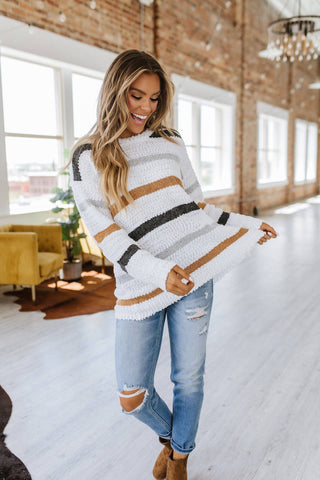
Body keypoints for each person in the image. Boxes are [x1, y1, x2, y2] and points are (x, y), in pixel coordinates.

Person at [70, 49, 277, 480]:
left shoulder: (170, 141)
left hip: (194, 275)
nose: (145, 108)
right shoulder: (87, 156)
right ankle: (171, 438)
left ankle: (180, 458)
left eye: (154, 98)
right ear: (115, 92)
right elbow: (105, 233)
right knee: (132, 394)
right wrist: (157, 271)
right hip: (139, 285)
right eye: (136, 96)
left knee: (190, 380)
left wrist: (247, 223)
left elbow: (197, 205)